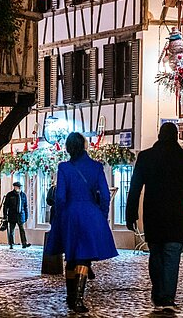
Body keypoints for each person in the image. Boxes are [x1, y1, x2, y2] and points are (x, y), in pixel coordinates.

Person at [126, 123, 183, 312]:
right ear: (176, 136)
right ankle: (168, 297)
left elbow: (135, 188)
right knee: (171, 258)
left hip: (154, 217)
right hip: (176, 218)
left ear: (160, 135)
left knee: (156, 256)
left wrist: (130, 215)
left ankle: (158, 294)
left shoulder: (146, 157)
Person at [46, 132, 117, 313]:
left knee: (71, 256)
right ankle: (78, 299)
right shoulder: (96, 167)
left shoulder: (64, 168)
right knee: (83, 257)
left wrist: (60, 216)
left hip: (70, 214)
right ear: (84, 146)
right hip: (90, 214)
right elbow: (105, 195)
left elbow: (60, 197)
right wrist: (101, 215)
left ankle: (71, 297)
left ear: (69, 148)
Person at [3, 182, 30, 249]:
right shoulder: (10, 195)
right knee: (11, 230)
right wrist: (5, 215)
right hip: (12, 215)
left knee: (22, 230)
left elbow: (25, 206)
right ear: (14, 187)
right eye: (17, 187)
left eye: (20, 186)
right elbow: (6, 206)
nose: (19, 188)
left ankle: (24, 243)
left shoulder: (23, 195)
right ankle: (11, 243)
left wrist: (26, 215)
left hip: (20, 215)